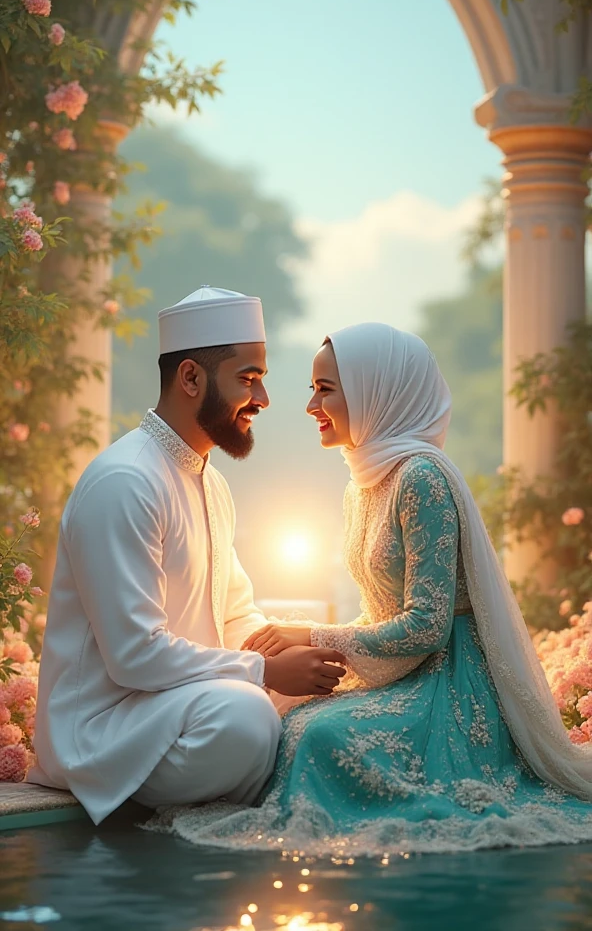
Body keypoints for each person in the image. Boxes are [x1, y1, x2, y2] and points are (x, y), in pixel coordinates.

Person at [147, 322, 592, 856]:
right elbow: (377, 611)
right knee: (289, 712)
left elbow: (427, 627)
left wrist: (312, 635)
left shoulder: (421, 478)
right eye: (314, 388)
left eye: (326, 389)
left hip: (447, 682)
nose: (311, 405)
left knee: (320, 733)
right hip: (401, 668)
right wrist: (302, 642)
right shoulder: (363, 482)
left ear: (375, 390)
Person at [28, 286, 346, 825]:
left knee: (316, 706)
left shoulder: (209, 482)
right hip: (105, 728)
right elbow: (134, 656)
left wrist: (295, 646)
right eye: (248, 378)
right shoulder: (125, 481)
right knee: (247, 717)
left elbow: (234, 615)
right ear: (192, 378)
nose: (263, 398)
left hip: (179, 705)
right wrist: (265, 669)